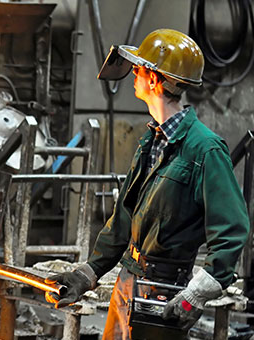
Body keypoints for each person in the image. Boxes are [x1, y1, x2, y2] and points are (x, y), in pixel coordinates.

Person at [45, 29, 250, 339]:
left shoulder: (205, 149)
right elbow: (125, 215)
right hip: (128, 282)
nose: (133, 76)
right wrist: (88, 273)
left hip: (166, 292)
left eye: (139, 69)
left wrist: (196, 295)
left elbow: (233, 230)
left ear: (155, 80)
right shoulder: (152, 140)